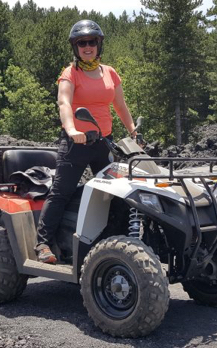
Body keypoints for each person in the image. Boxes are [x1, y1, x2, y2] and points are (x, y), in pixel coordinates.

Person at [35, 19, 137, 264]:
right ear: (76, 47)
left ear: (99, 44)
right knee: (61, 192)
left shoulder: (110, 72)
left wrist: (133, 131)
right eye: (82, 43)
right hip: (76, 143)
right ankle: (43, 243)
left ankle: (113, 241)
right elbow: (64, 103)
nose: (87, 46)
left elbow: (120, 105)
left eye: (92, 42)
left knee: (116, 193)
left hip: (104, 143)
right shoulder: (71, 73)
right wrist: (71, 129)